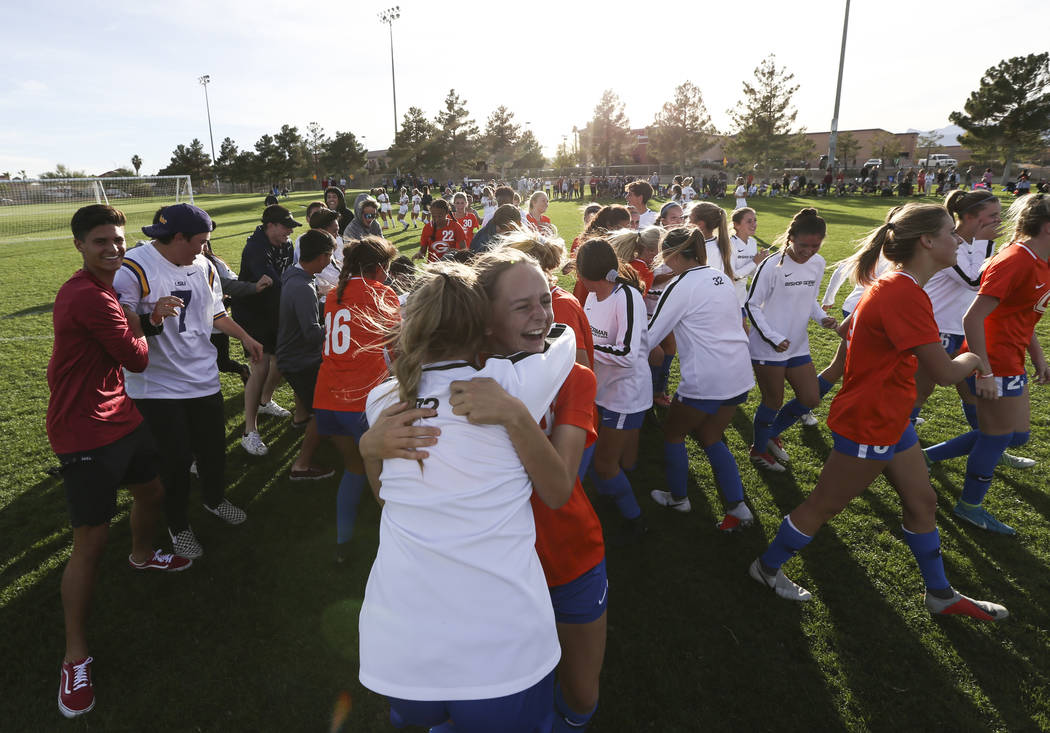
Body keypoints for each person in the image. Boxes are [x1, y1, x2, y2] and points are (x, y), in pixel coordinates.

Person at [748, 203, 1009, 622]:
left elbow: (860, 340)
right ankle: (766, 567)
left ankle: (940, 594)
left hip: (892, 417)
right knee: (821, 506)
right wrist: (977, 357)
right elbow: (943, 373)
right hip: (871, 422)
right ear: (926, 241)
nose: (957, 239)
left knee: (922, 502)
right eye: (949, 232)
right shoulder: (902, 291)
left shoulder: (898, 285)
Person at [358, 261, 576, 733]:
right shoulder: (511, 384)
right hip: (503, 652)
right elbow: (565, 338)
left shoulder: (382, 401)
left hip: (400, 653)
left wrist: (366, 448)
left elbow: (385, 499)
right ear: (482, 326)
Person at [49, 205, 191, 719]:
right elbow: (137, 357)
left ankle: (142, 555)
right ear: (80, 246)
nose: (113, 247)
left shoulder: (104, 289)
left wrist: (139, 320)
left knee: (151, 492)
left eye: (118, 238)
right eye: (101, 241)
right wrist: (149, 321)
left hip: (119, 413)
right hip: (82, 428)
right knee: (90, 540)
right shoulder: (90, 296)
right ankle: (74, 656)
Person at [114, 204, 262, 559]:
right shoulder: (133, 267)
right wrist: (151, 316)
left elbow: (216, 314)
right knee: (175, 461)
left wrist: (245, 337)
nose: (204, 248)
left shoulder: (204, 266)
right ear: (177, 237)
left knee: (212, 452)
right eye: (200, 241)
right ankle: (178, 526)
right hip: (157, 384)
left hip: (203, 377)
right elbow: (121, 326)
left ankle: (214, 500)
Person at [923, 193, 1050, 535]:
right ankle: (970, 506)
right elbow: (973, 317)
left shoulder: (1042, 259)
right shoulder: (1015, 260)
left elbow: (1021, 314)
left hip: (1012, 355)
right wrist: (985, 370)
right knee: (997, 436)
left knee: (1017, 435)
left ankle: (927, 456)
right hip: (993, 357)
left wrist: (1037, 355)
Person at [646, 227, 756, 530]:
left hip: (707, 378)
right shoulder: (719, 277)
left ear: (673, 254)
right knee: (711, 435)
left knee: (673, 433)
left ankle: (679, 498)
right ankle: (738, 507)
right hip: (738, 373)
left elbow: (651, 334)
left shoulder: (681, 284)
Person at [314, 235, 400, 561]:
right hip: (361, 401)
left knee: (354, 468)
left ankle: (343, 541)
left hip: (327, 399)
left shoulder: (334, 293)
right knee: (390, 475)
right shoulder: (383, 293)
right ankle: (402, 542)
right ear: (379, 268)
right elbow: (397, 347)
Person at [745, 209, 837, 471]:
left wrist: (822, 319)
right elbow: (751, 305)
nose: (809, 251)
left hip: (797, 345)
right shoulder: (772, 265)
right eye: (803, 245)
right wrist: (773, 337)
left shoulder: (818, 263)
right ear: (791, 237)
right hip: (768, 346)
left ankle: (771, 433)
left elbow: (810, 301)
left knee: (810, 398)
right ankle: (758, 451)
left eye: (815, 245)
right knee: (772, 401)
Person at [577, 237, 651, 537]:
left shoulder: (626, 296)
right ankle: (612, 496)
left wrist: (583, 348)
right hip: (601, 391)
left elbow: (628, 354)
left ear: (584, 275)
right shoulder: (593, 294)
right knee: (605, 462)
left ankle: (635, 519)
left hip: (624, 395)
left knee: (605, 465)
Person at [232, 204, 301, 456]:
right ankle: (249, 432)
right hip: (252, 315)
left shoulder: (286, 244)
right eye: (285, 226)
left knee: (281, 359)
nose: (289, 232)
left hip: (274, 311)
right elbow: (273, 282)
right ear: (269, 225)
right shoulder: (256, 247)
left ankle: (264, 401)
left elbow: (288, 275)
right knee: (259, 366)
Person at [276, 229, 337, 481]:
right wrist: (338, 325)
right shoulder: (303, 286)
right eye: (330, 257)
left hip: (293, 356)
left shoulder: (296, 274)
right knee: (325, 409)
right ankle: (301, 465)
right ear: (322, 257)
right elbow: (312, 333)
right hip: (300, 360)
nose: (330, 262)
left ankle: (303, 422)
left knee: (315, 403)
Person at [729, 207, 769, 317]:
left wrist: (763, 262)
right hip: (729, 299)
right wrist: (755, 262)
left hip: (743, 298)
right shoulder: (730, 243)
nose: (754, 224)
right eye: (749, 221)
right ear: (736, 225)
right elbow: (733, 275)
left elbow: (751, 273)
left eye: (755, 220)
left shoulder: (752, 242)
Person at [688, 201, 734, 277]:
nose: (686, 223)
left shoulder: (703, 248)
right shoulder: (717, 243)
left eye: (689, 219)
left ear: (700, 225)